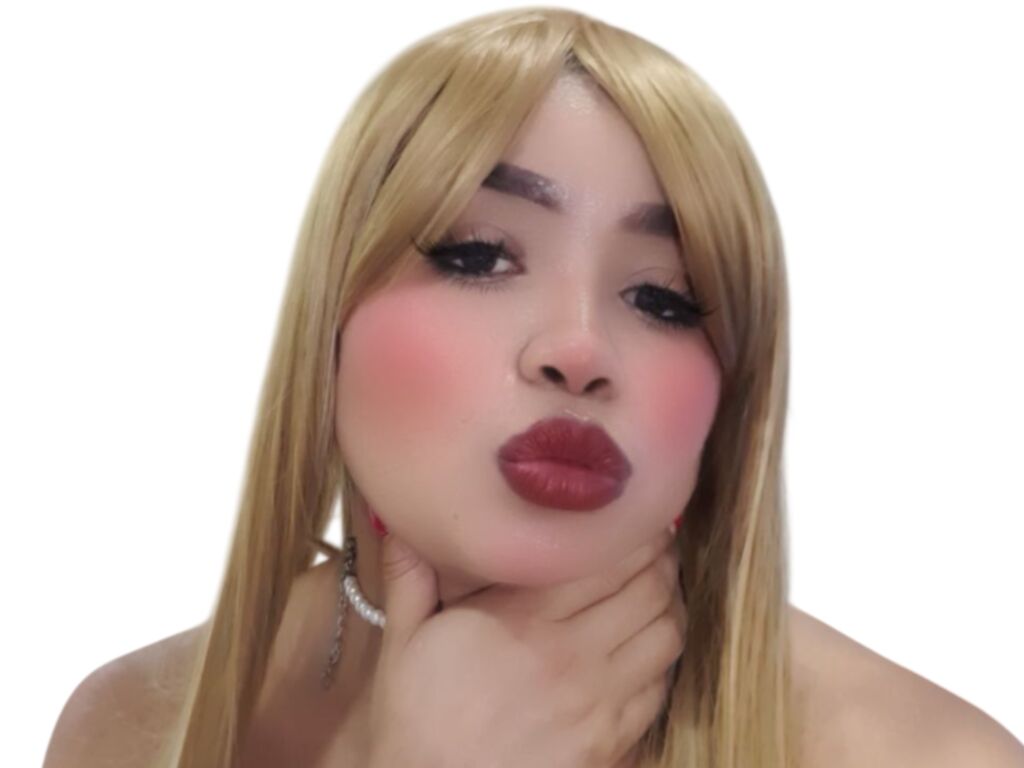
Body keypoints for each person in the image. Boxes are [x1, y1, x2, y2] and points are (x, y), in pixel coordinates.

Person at [41, 8, 1024, 768]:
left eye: (665, 298)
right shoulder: (131, 725)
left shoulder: (923, 755)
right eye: (476, 256)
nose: (580, 348)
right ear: (329, 318)